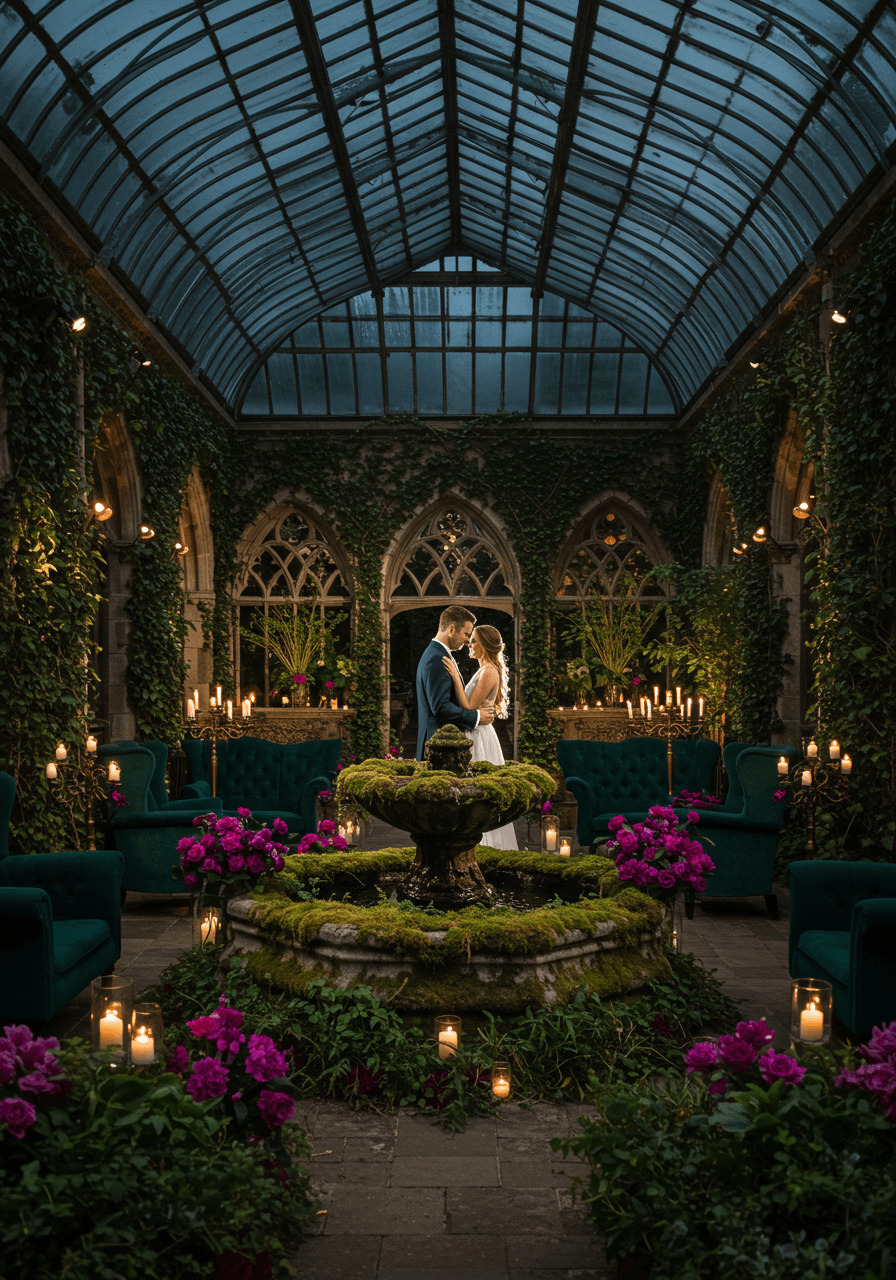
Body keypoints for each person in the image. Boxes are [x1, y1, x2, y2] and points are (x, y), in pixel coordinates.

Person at [441, 623, 518, 850]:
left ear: (484, 644)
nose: (469, 644)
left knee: (478, 793)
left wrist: (455, 676)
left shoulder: (489, 672)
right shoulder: (485, 669)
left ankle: (485, 849)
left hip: (479, 735)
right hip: (476, 730)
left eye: (473, 640)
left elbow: (469, 706)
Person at [415, 605, 494, 761]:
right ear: (450, 629)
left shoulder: (438, 653)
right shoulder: (436, 659)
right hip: (438, 747)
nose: (467, 640)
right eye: (466, 634)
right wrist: (477, 716)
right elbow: (440, 707)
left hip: (442, 744)